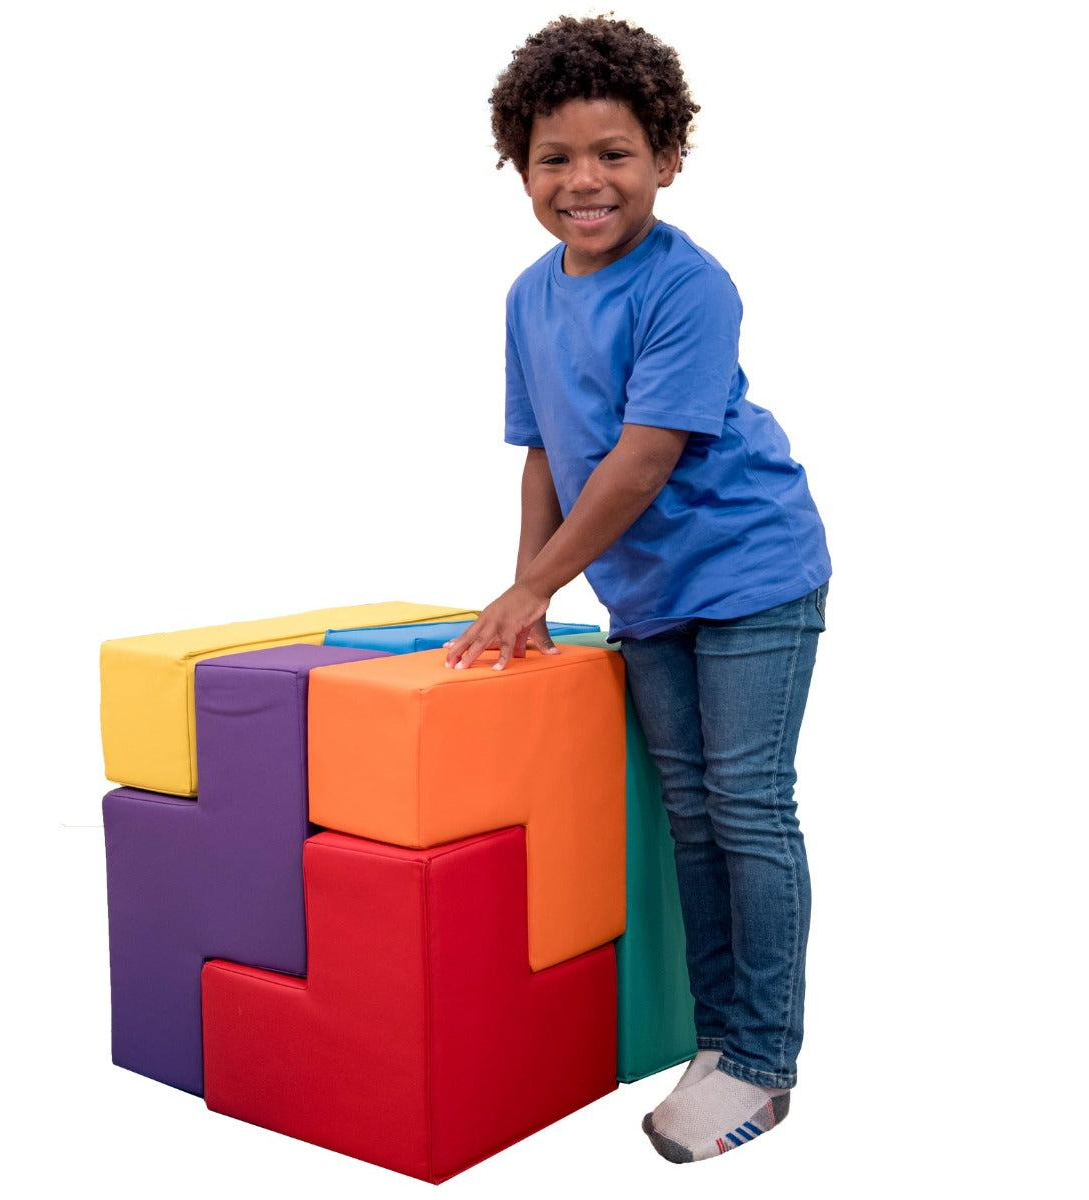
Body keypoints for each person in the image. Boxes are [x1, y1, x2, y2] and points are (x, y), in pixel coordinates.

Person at [443, 15, 832, 1163]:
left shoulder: (690, 285)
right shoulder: (528, 295)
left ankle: (762, 1060)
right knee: (689, 812)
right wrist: (527, 588)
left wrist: (536, 589)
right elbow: (547, 454)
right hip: (648, 592)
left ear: (666, 155)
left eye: (614, 152)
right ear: (519, 168)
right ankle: (716, 1036)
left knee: (749, 808)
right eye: (554, 157)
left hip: (754, 573)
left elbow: (641, 456)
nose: (585, 180)